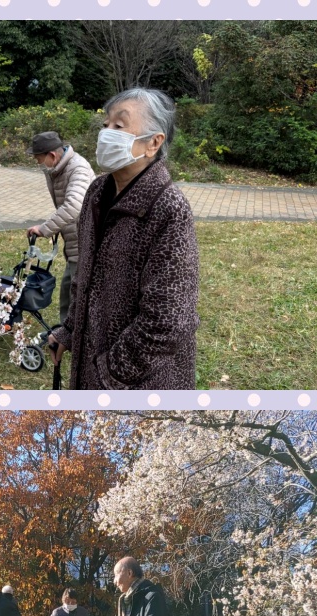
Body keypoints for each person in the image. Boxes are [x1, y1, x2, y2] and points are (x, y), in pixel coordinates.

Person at [48, 87, 200, 390]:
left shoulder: (168, 209)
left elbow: (168, 322)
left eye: (119, 125)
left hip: (140, 384)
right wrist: (69, 330)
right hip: (92, 369)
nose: (106, 133)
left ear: (154, 142)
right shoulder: (97, 192)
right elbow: (85, 277)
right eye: (106, 125)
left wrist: (109, 374)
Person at [26, 130, 95, 325]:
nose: (38, 165)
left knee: (78, 294)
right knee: (68, 289)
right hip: (75, 238)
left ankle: (76, 338)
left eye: (39, 160)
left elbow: (73, 205)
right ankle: (66, 334)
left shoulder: (78, 169)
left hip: (88, 240)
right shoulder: (58, 169)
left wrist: (45, 228)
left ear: (53, 156)